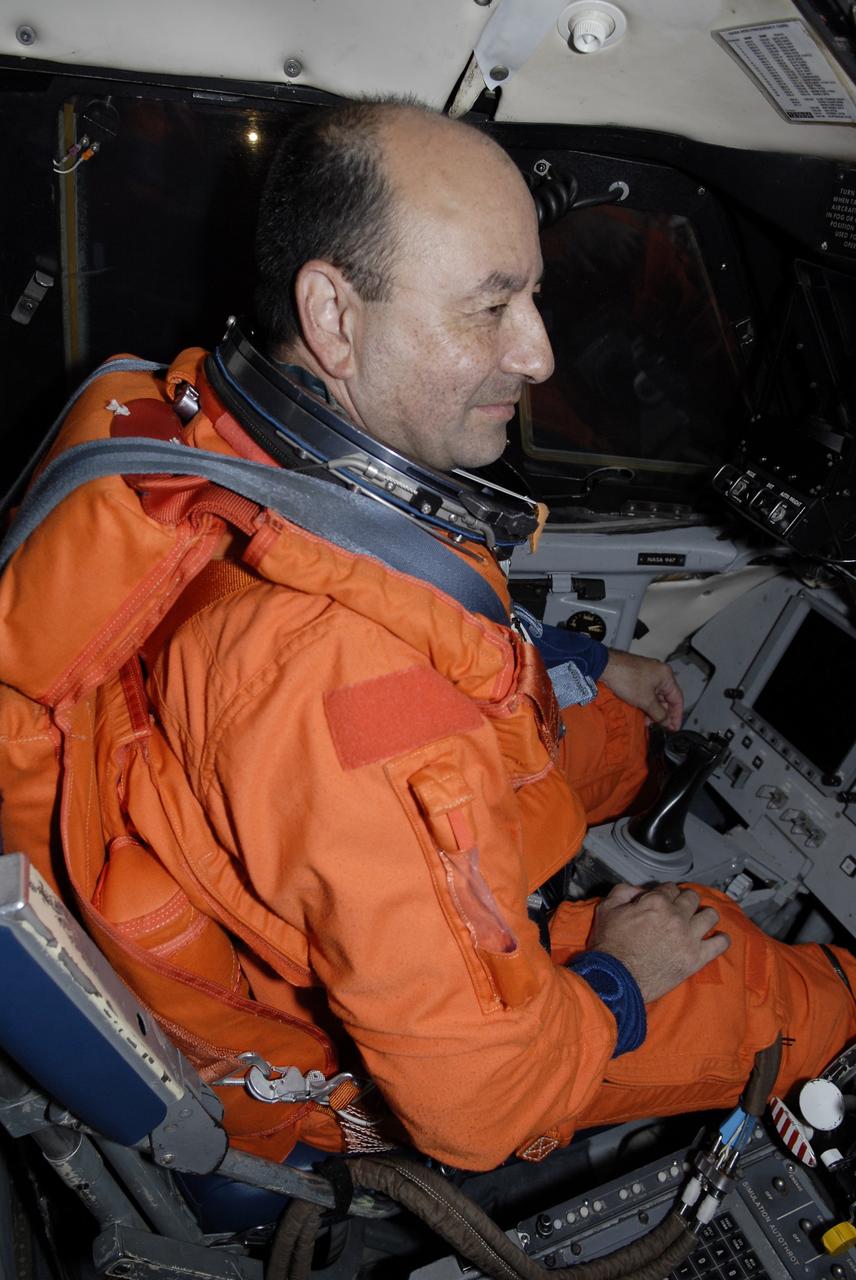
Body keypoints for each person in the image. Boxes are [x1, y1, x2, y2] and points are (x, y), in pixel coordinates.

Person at [1, 97, 854, 1173]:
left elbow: (411, 596)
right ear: (335, 316)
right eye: (490, 306)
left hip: (247, 798)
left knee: (605, 738)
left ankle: (633, 784)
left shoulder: (203, 438)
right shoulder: (352, 697)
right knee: (748, 985)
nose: (538, 354)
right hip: (341, 1063)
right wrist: (622, 973)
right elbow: (481, 1105)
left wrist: (589, 665)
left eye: (532, 293)